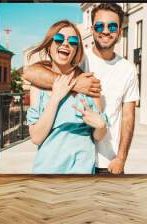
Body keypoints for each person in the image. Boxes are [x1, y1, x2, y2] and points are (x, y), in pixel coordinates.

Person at [23, 3, 139, 174]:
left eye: (112, 26)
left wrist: (121, 158)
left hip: (107, 161)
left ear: (120, 31)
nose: (105, 31)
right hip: (62, 165)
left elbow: (128, 117)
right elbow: (31, 72)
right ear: (92, 29)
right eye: (99, 25)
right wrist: (74, 84)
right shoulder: (79, 59)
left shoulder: (128, 69)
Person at [26, 20, 108, 174]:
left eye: (72, 41)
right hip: (46, 170)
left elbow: (98, 136)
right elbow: (36, 138)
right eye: (58, 39)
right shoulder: (37, 86)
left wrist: (101, 126)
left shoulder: (89, 83)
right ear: (49, 46)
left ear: (76, 51)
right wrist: (56, 97)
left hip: (81, 171)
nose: (65, 44)